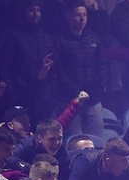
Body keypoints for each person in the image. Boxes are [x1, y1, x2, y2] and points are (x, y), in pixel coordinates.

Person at [54, 0, 108, 136]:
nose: (82, 18)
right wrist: (75, 92)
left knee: (96, 140)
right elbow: (58, 71)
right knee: (75, 140)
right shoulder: (60, 41)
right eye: (78, 15)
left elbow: (102, 65)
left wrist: (97, 88)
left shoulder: (94, 39)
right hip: (69, 100)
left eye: (85, 14)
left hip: (93, 98)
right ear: (68, 17)